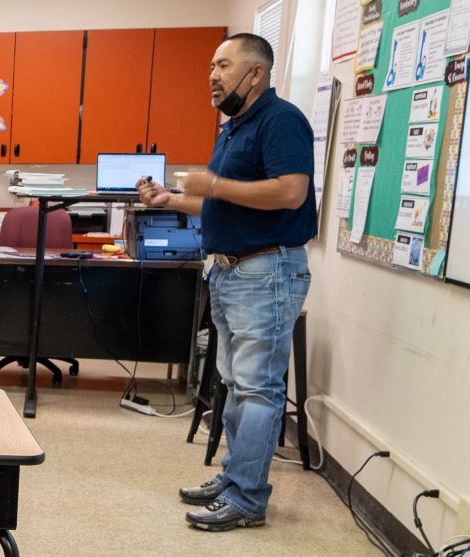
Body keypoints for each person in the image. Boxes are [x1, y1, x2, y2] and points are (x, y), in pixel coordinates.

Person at [137, 32, 316, 532]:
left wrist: (212, 184)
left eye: (222, 65)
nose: (211, 76)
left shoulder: (282, 121)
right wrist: (171, 201)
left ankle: (248, 497)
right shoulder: (234, 127)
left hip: (266, 271)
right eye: (211, 67)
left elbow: (290, 193)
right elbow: (223, 201)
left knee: (258, 390)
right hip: (231, 270)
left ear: (254, 73)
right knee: (235, 385)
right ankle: (235, 477)